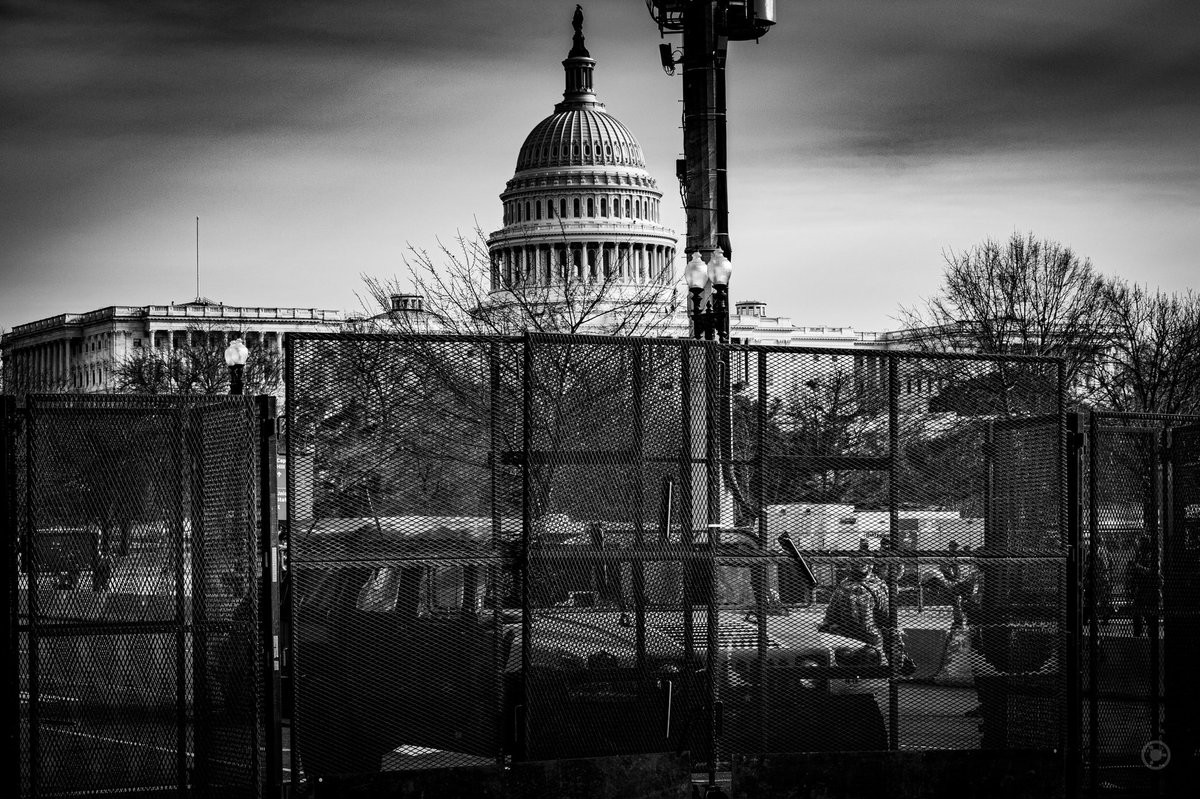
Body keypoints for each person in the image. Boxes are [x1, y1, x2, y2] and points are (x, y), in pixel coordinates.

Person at [819, 543, 915, 675]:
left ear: (871, 565)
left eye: (865, 561)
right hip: (846, 636)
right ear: (850, 565)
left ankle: (897, 664)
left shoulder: (877, 586)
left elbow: (886, 617)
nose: (860, 563)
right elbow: (831, 615)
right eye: (856, 561)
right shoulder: (843, 586)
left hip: (869, 637)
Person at [1125, 535, 1158, 638]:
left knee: (1148, 614)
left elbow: (1152, 572)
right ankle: (1138, 633)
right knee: (1136, 612)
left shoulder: (1151, 556)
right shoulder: (1139, 556)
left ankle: (1150, 632)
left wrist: (1138, 567)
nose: (1139, 545)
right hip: (1140, 588)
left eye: (1141, 543)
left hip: (1149, 588)